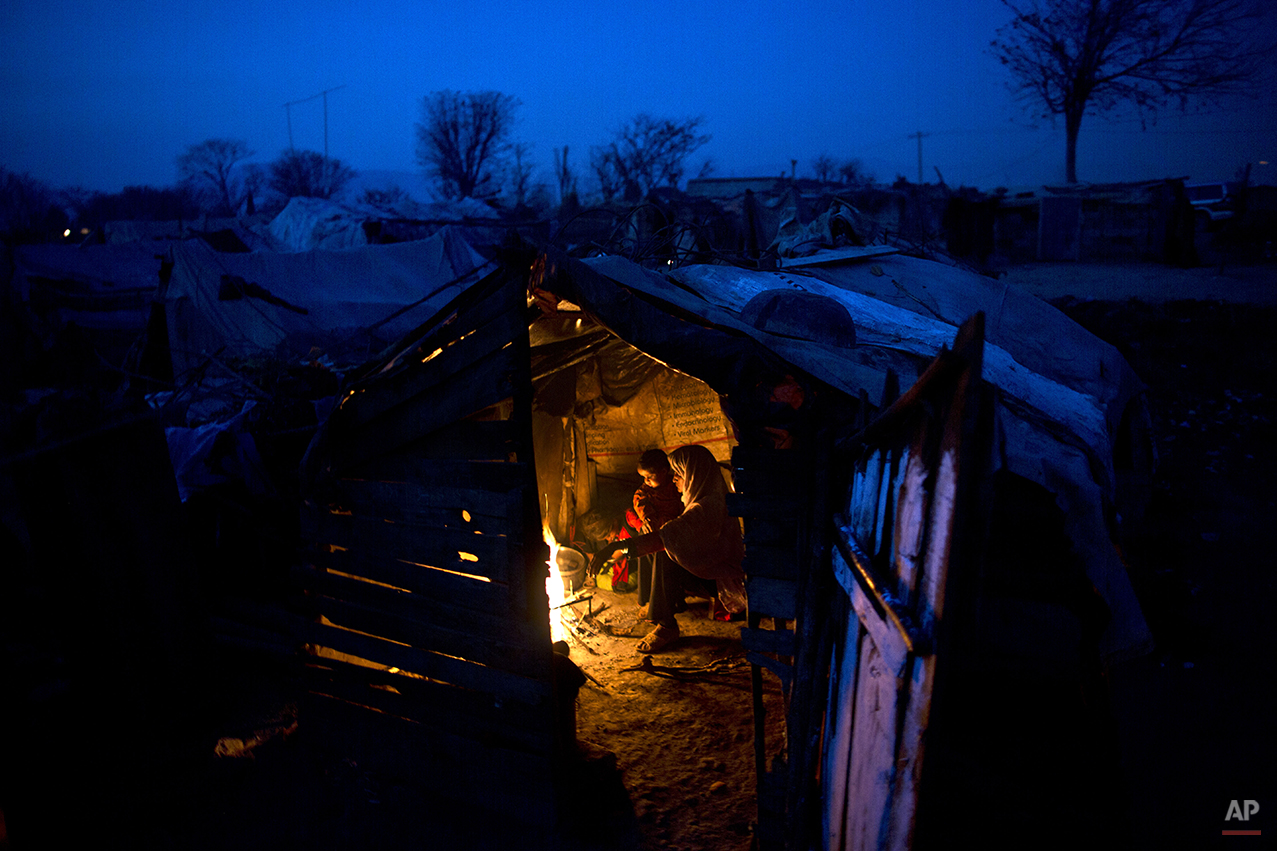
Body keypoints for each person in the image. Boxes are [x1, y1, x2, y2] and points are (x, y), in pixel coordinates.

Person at [591, 444, 747, 653]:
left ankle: (666, 626)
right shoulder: (701, 499)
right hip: (709, 565)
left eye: (678, 474)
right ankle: (654, 602)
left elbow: (665, 538)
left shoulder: (705, 507)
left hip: (721, 577)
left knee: (664, 550)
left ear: (693, 475)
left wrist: (617, 549)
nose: (673, 479)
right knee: (659, 544)